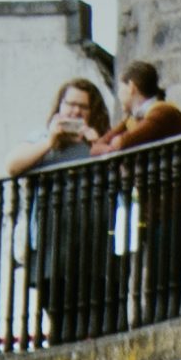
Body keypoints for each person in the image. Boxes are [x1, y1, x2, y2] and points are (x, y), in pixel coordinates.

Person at [95, 62, 181, 322]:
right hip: (160, 216)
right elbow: (98, 147)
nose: (120, 95)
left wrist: (114, 144)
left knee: (166, 288)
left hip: (179, 215)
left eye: (121, 88)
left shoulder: (163, 113)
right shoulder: (135, 119)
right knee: (158, 287)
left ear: (131, 86)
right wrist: (111, 143)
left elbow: (122, 143)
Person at [8, 79, 114, 343]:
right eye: (71, 104)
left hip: (95, 246)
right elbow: (12, 165)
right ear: (60, 106)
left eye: (83, 107)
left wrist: (97, 144)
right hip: (51, 247)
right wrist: (50, 141)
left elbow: (120, 176)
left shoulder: (101, 140)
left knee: (99, 319)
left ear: (92, 112)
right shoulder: (42, 136)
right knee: (61, 320)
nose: (75, 112)